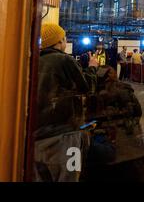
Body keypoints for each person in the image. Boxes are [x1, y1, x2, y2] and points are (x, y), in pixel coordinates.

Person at [34, 23, 99, 182]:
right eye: (65, 38)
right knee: (70, 175)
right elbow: (87, 88)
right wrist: (92, 68)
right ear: (60, 40)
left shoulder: (34, 61)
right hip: (66, 134)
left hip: (38, 135)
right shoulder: (64, 60)